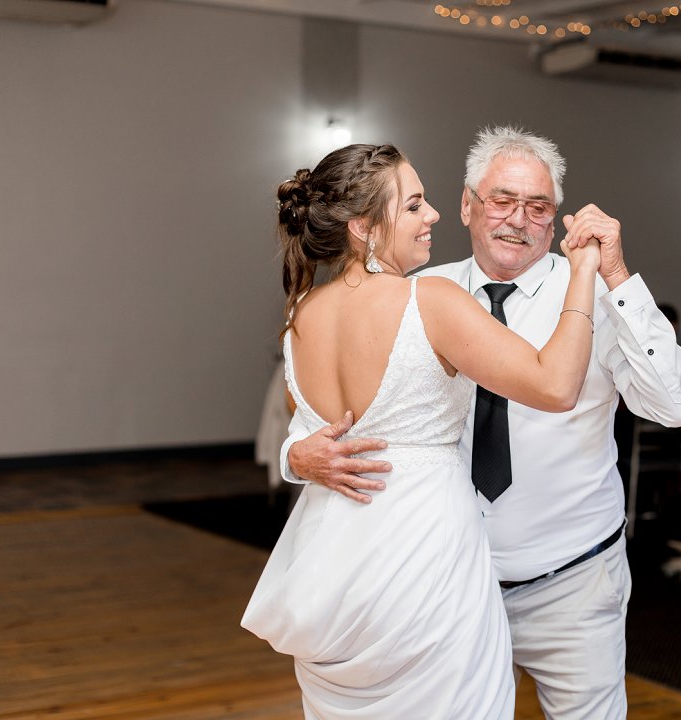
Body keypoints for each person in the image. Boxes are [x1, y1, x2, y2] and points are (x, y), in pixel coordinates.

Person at [279, 126, 681, 719]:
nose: (518, 220)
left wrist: (617, 277)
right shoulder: (421, 292)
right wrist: (297, 456)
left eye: (539, 207)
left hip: (571, 580)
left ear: (555, 218)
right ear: (467, 204)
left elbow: (676, 406)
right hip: (440, 583)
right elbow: (334, 414)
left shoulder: (600, 298)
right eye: (502, 200)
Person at [241, 143, 602, 719]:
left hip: (335, 567)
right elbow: (556, 387)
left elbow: (308, 438)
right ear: (363, 227)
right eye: (413, 206)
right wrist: (583, 274)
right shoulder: (431, 300)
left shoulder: (302, 314)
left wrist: (294, 458)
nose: (432, 214)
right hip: (424, 558)